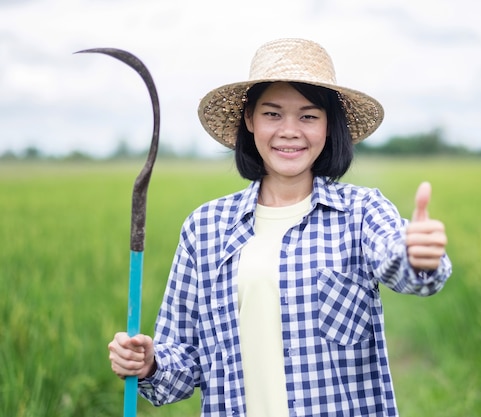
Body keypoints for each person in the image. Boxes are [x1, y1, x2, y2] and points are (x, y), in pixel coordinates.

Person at [108, 38, 452, 417]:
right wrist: (149, 364)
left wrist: (418, 256)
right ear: (250, 120)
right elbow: (182, 366)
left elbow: (403, 265)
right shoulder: (204, 228)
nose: (290, 131)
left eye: (308, 116)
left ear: (328, 126)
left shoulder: (361, 212)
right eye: (273, 114)